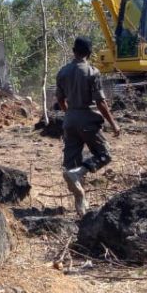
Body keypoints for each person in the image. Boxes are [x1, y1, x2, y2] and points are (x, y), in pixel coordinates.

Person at [56, 36, 121, 215]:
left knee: (71, 164)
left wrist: (69, 113)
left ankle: (80, 203)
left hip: (69, 121)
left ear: (73, 50)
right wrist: (114, 124)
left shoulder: (62, 72)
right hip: (88, 120)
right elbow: (100, 103)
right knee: (104, 155)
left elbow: (60, 99)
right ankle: (80, 174)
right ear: (90, 53)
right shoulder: (92, 72)